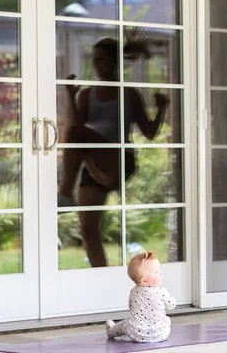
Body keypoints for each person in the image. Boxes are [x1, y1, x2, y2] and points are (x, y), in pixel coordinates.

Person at [57, 36, 170, 267]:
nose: (97, 65)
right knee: (88, 228)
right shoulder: (87, 94)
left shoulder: (128, 93)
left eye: (102, 60)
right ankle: (100, 277)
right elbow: (74, 127)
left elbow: (148, 132)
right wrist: (70, 94)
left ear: (114, 62)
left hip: (119, 158)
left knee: (77, 134)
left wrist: (161, 109)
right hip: (93, 160)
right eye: (94, 60)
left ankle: (64, 195)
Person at [106, 250, 176, 342]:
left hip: (137, 334)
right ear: (144, 281)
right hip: (161, 333)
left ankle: (111, 331)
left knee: (125, 323)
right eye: (157, 272)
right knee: (166, 320)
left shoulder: (134, 292)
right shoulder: (161, 292)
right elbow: (172, 305)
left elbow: (131, 307)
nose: (161, 273)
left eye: (160, 270)